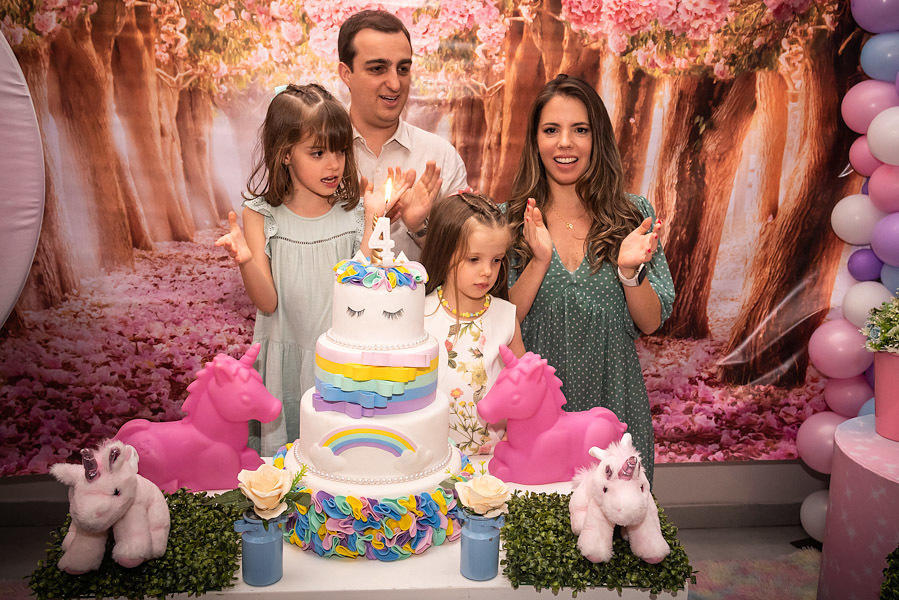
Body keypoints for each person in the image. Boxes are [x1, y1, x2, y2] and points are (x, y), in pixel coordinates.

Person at [506, 74, 675, 485]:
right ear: (535, 141)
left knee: (616, 534)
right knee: (543, 539)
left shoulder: (631, 214)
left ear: (596, 138)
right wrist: (538, 260)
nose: (565, 143)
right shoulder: (510, 220)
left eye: (580, 130)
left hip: (615, 404)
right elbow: (500, 317)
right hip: (540, 420)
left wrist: (629, 273)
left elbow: (651, 322)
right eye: (551, 130)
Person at [215, 83, 401, 455]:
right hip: (284, 362)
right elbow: (267, 303)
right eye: (317, 153)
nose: (333, 164)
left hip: (340, 366)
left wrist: (374, 222)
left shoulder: (352, 215)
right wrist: (246, 260)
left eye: (339, 151)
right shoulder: (260, 214)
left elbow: (362, 290)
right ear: (285, 154)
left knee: (337, 461)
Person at [337, 9, 469, 260]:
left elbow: (466, 262)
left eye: (403, 69)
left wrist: (420, 227)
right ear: (346, 74)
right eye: (378, 68)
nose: (395, 84)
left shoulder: (440, 158)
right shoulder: (314, 154)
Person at [420, 192, 526, 455]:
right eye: (474, 259)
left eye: (497, 259)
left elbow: (525, 391)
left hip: (491, 463)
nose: (488, 271)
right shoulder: (418, 313)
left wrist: (511, 442)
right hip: (430, 459)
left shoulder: (505, 317)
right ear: (444, 252)